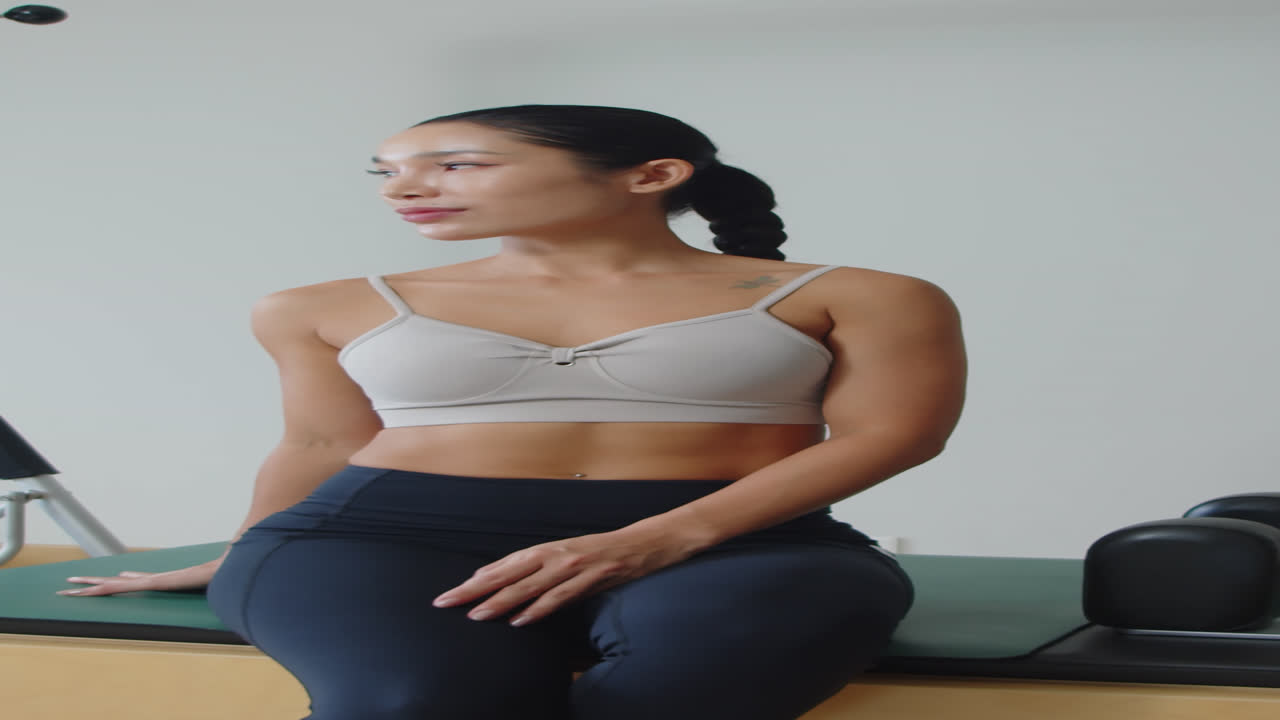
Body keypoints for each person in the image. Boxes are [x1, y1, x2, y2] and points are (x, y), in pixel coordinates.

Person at [57, 104, 967, 719]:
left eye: (456, 165)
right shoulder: (317, 304)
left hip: (740, 541)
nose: (403, 188)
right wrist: (241, 552)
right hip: (378, 537)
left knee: (693, 681)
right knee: (412, 701)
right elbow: (321, 441)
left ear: (652, 175)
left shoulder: (863, 294)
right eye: (389, 171)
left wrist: (655, 539)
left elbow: (895, 434)